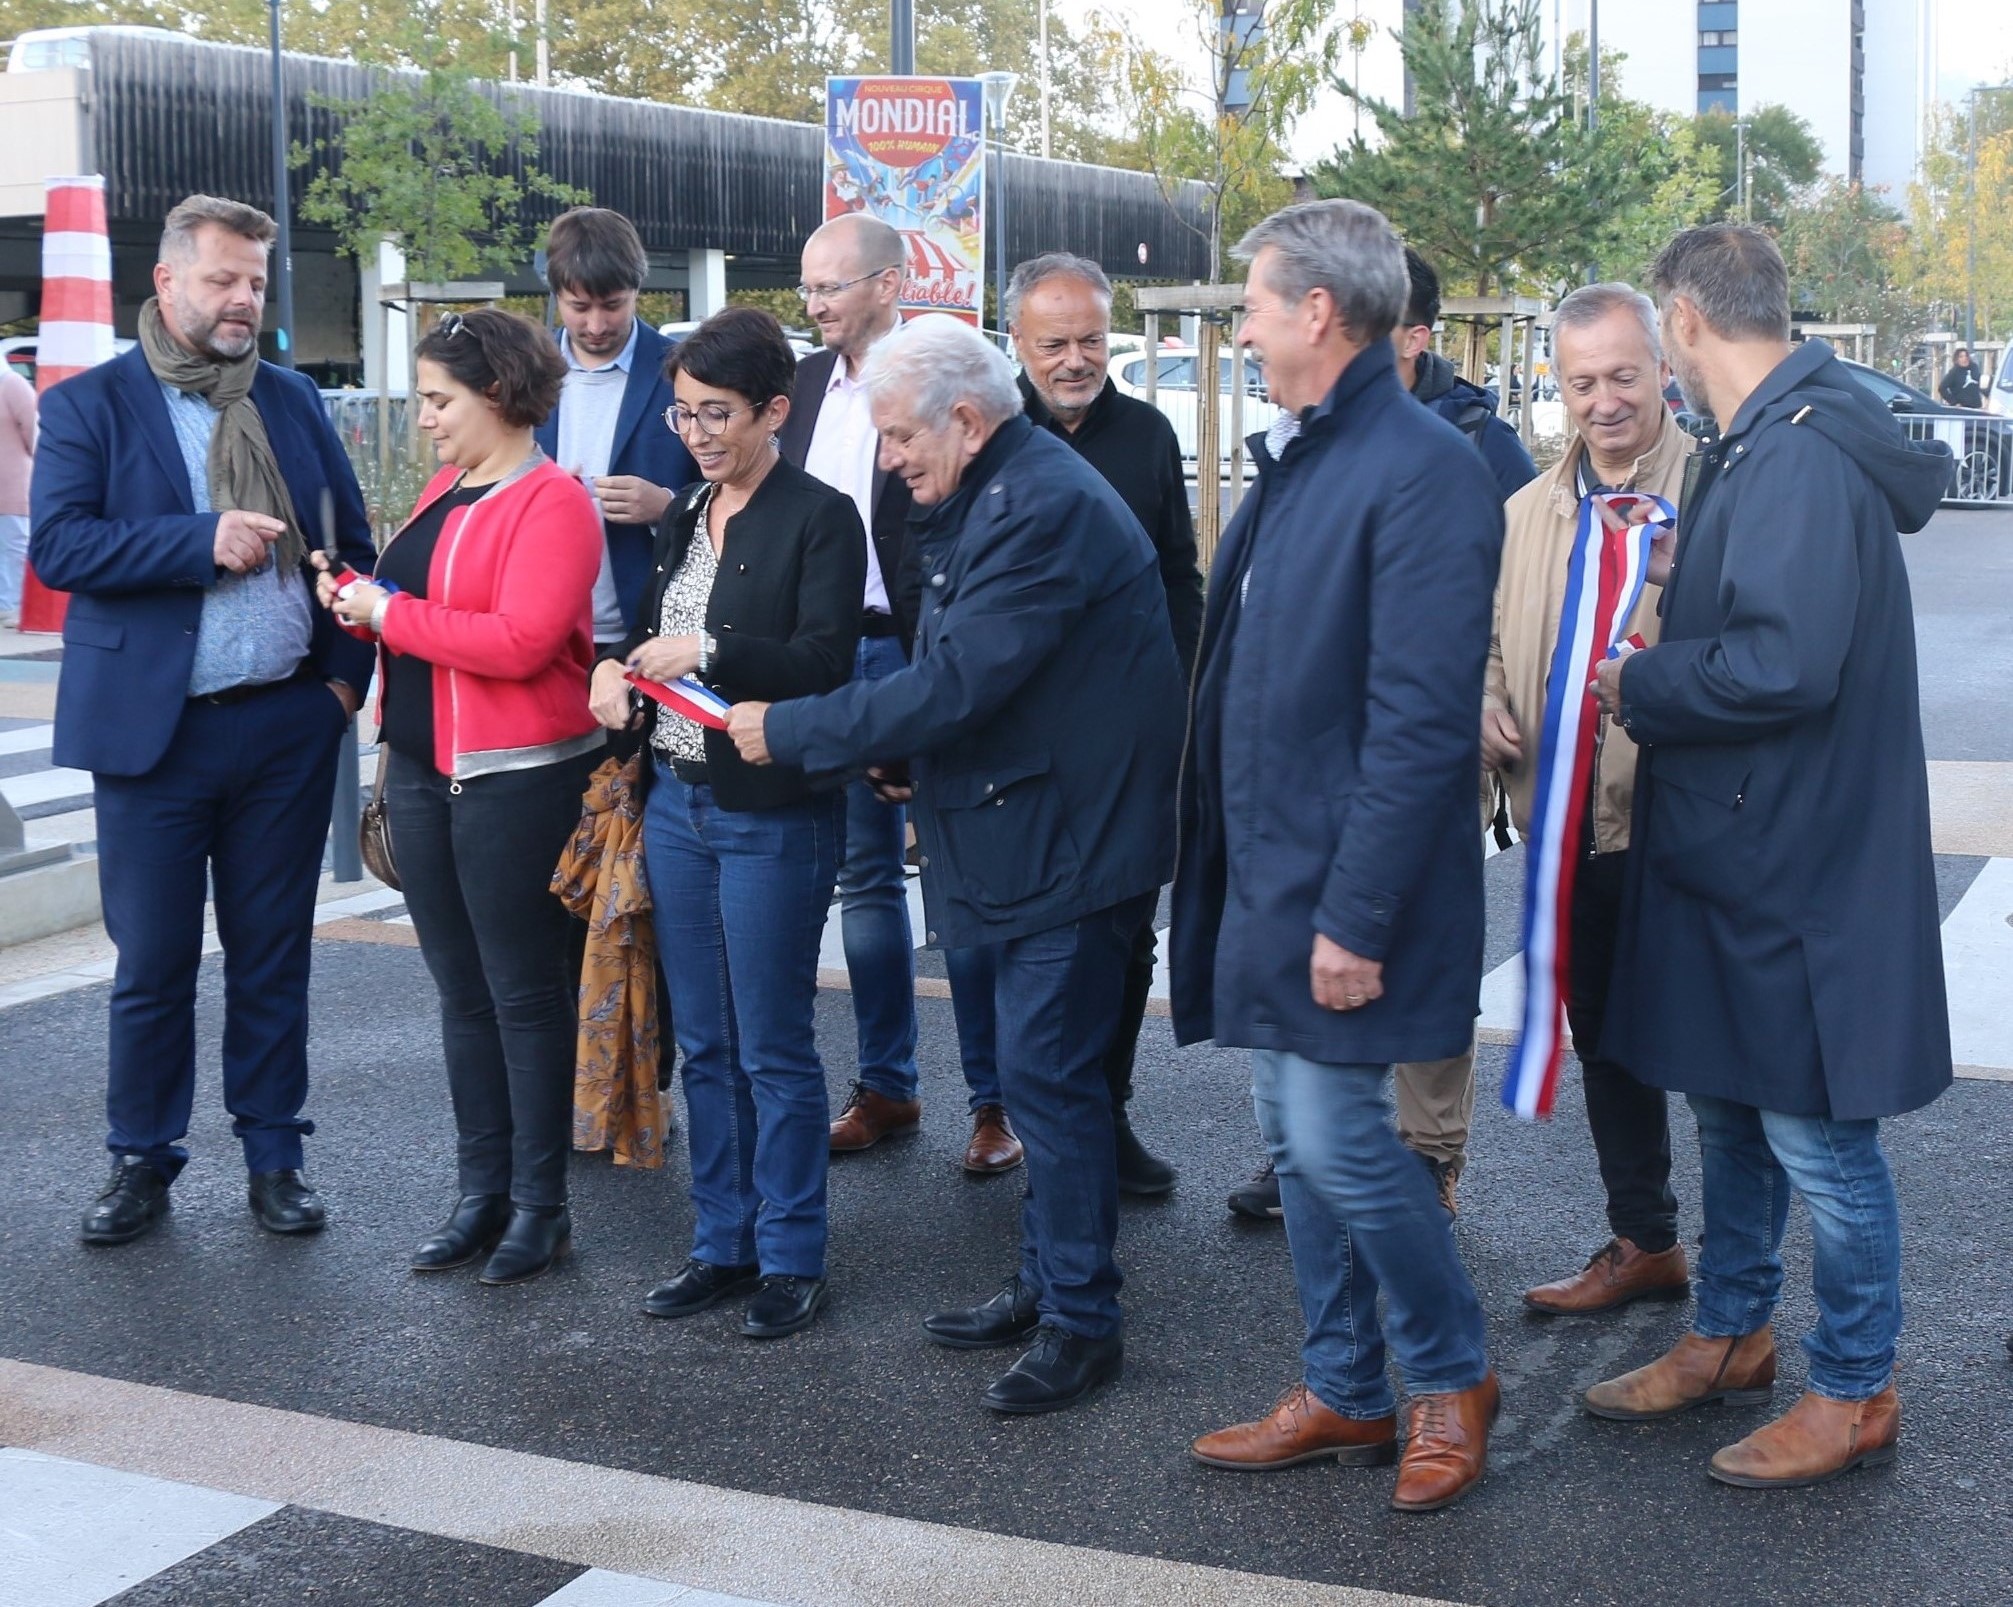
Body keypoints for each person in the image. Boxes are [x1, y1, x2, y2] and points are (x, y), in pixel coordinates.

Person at [724, 314, 1186, 1415]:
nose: (887, 458)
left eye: (896, 437)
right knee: (1041, 1081)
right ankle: (1048, 1278)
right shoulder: (1003, 486)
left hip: (1071, 840)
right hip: (1037, 820)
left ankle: (1082, 1320)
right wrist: (900, 755)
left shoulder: (1037, 506)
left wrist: (790, 727)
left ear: (967, 421)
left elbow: (962, 679)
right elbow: (973, 677)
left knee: (1051, 1086)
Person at [1585, 225, 1953, 1489]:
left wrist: (1643, 676)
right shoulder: (1777, 439)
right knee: (1732, 1109)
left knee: (1818, 1140)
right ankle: (1732, 1333)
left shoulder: (1792, 457)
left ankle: (1855, 1387)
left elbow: (1783, 666)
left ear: (1684, 318)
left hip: (1789, 861)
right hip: (1750, 847)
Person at [1174, 201, 1502, 1513]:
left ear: (1321, 310)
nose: (1241, 322)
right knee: (1301, 1142)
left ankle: (1448, 1366)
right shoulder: (1305, 455)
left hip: (1348, 891)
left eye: (1253, 300)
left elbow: (1422, 724)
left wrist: (1353, 915)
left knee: (1336, 1138)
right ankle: (1346, 1382)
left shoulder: (1419, 467)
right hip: (1276, 875)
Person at [30, 194, 377, 1246]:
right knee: (154, 964)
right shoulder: (94, 403)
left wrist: (340, 688)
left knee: (274, 956)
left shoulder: (290, 398)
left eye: (257, 284)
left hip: (282, 724)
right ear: (168, 283)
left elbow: (346, 542)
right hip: (155, 735)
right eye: (224, 280)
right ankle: (143, 1158)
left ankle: (275, 1155)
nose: (243, 301)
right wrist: (198, 539)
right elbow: (61, 549)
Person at [1227, 242, 1537, 1225]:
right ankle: (1317, 1147)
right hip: (1322, 759)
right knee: (1324, 959)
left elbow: (1524, 594)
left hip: (1433, 745)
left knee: (1421, 942)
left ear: (1416, 335)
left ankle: (1428, 1154)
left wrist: (1487, 687)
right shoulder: (1304, 432)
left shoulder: (1475, 444)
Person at [592, 307, 863, 1340]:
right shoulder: (685, 511)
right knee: (703, 1042)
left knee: (773, 1047)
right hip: (676, 800)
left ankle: (791, 1254)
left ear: (775, 411)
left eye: (719, 413)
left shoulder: (821, 515)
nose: (698, 433)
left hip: (769, 811)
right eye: (684, 413)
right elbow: (647, 641)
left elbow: (825, 662)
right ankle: (723, 1239)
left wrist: (708, 649)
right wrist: (615, 676)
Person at [321, 307, 603, 1285]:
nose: (426, 420)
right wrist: (364, 609)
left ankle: (540, 1206)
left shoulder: (555, 500)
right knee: (462, 994)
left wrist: (390, 611)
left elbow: (521, 642)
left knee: (524, 994)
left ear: (497, 394)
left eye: (439, 400)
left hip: (516, 778)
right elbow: (433, 612)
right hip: (422, 768)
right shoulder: (451, 482)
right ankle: (480, 1194)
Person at [941, 249, 1202, 1198]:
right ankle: (1003, 1109)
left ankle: (1105, 1111)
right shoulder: (978, 431)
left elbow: (1178, 572)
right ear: (1016, 342)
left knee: (1124, 938)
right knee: (1004, 937)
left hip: (1120, 739)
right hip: (1007, 736)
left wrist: (1179, 695)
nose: (1075, 358)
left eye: (1092, 339)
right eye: (1054, 343)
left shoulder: (1145, 434)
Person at [1482, 283, 1693, 1316]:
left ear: (1663, 365)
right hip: (1570, 825)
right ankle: (1645, 1237)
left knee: (1727, 1058)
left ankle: (1746, 1288)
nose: (1604, 400)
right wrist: (1484, 705)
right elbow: (1479, 636)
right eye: (1581, 382)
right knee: (1604, 1037)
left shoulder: (1720, 490)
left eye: (1622, 374)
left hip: (1689, 824)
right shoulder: (1526, 509)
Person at [775, 215, 942, 1169]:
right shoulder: (797, 387)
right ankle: (887, 1087)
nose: (814, 305)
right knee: (855, 878)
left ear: (889, 282)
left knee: (945, 885)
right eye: (807, 288)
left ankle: (995, 1104)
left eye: (830, 287)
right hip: (816, 658)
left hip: (908, 654)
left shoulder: (931, 379)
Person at [0, 363, 34, 628]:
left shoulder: (12, 384)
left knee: (13, 547)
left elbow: (35, 433)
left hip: (12, 485)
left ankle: (13, 606)